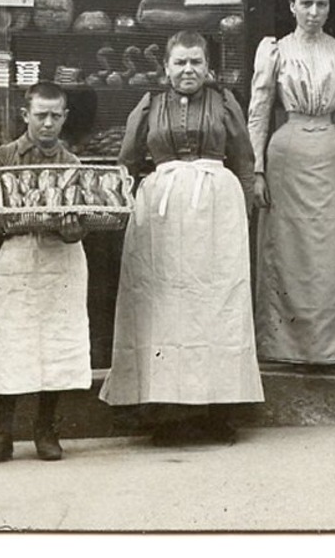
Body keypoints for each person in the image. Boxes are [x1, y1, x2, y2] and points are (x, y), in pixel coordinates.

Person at [100, 31, 262, 439]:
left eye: (195, 62)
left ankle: (217, 414)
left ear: (208, 67)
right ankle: (167, 415)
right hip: (162, 214)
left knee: (215, 307)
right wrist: (126, 209)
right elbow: (127, 162)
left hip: (216, 214)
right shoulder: (150, 105)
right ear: (166, 68)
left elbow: (244, 159)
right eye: (180, 63)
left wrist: (241, 213)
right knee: (166, 310)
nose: (188, 70)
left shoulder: (225, 102)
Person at [0, 82, 91, 467]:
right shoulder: (5, 156)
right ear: (25, 115)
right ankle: (1, 436)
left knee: (55, 342)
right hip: (17, 257)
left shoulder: (72, 164)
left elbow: (83, 214)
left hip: (61, 261)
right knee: (9, 342)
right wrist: (9, 221)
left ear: (65, 117)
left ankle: (45, 430)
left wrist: (74, 227)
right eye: (41, 115)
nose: (48, 123)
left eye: (55, 116)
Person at [248, 0, 335, 367]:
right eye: (307, 4)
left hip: (331, 151)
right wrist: (257, 168)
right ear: (292, 6)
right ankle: (283, 348)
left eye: (322, 4)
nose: (315, 12)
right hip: (288, 151)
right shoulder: (275, 50)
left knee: (331, 250)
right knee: (287, 250)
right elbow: (259, 110)